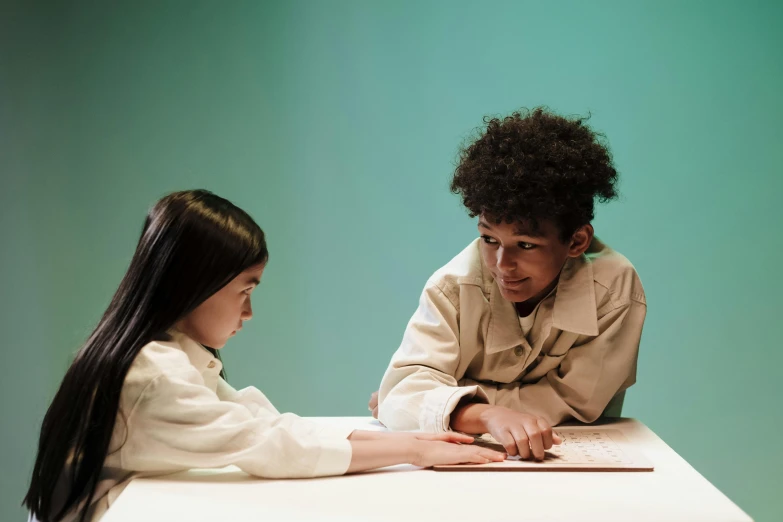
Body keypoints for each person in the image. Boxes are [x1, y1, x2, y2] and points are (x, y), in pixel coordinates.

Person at [24, 190, 504, 522]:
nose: (249, 312)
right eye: (244, 291)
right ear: (196, 285)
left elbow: (262, 423)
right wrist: (414, 449)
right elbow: (269, 445)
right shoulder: (153, 374)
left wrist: (414, 440)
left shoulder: (162, 355)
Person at [371, 108, 646, 461]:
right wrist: (487, 414)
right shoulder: (451, 287)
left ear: (576, 241)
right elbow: (404, 393)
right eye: (489, 239)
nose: (502, 265)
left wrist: (444, 405)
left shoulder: (615, 291)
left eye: (526, 245)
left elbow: (578, 402)